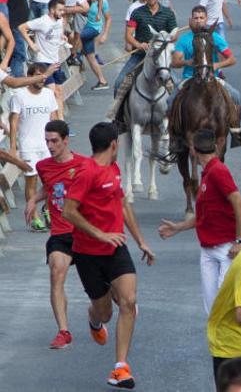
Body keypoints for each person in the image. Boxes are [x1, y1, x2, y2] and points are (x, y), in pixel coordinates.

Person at [61, 122, 155, 389]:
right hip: (88, 253)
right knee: (104, 313)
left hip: (116, 249)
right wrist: (100, 234)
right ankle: (93, 317)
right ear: (114, 144)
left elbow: (123, 204)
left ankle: (120, 368)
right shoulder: (86, 172)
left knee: (129, 300)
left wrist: (141, 241)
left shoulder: (113, 168)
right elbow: (69, 211)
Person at [158, 128, 241, 314]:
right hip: (208, 249)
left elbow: (239, 201)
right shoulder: (209, 172)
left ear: (192, 150)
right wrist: (178, 227)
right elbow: (206, 213)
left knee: (224, 308)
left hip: (228, 248)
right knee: (212, 310)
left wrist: (239, 241)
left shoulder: (217, 171)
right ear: (216, 146)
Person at [24, 120, 85, 347]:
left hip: (85, 232)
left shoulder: (84, 165)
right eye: (47, 141)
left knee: (104, 300)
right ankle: (63, 331)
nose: (50, 146)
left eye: (55, 141)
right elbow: (48, 186)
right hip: (60, 233)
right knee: (56, 272)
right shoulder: (43, 166)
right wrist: (33, 199)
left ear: (66, 140)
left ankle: (97, 319)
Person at [10, 63, 59, 225]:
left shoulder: (49, 94)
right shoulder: (19, 96)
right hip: (28, 145)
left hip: (48, 146)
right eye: (38, 75)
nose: (41, 79)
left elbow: (54, 120)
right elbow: (14, 123)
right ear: (30, 77)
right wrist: (13, 147)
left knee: (51, 181)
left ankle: (47, 208)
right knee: (32, 181)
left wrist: (60, 143)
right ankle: (35, 217)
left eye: (43, 75)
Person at [171, 5, 241, 105]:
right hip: (189, 78)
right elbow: (174, 63)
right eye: (196, 18)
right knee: (170, 100)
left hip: (213, 78)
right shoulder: (184, 39)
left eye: (201, 18)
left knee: (236, 95)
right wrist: (187, 62)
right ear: (191, 20)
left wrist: (216, 65)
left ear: (206, 19)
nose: (198, 21)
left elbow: (232, 59)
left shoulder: (215, 37)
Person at [118, 0, 177, 94]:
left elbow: (175, 36)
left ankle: (176, 112)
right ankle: (116, 111)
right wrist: (139, 45)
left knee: (177, 84)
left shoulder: (168, 13)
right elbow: (128, 35)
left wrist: (161, 42)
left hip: (161, 57)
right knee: (119, 83)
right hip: (140, 55)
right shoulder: (137, 13)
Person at [20, 0, 68, 120]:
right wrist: (31, 44)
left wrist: (62, 37)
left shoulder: (59, 20)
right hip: (43, 61)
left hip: (55, 60)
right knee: (52, 92)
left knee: (59, 92)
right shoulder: (42, 21)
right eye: (60, 10)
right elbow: (21, 27)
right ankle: (53, 123)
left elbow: (57, 33)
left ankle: (61, 122)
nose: (62, 12)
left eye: (63, 10)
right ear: (52, 10)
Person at [79, 0, 111, 90]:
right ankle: (102, 81)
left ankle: (77, 56)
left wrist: (105, 34)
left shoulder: (102, 2)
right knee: (90, 57)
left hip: (94, 28)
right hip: (84, 28)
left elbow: (108, 18)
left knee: (77, 36)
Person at [7, 0, 30, 77]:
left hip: (20, 24)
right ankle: (17, 83)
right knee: (20, 54)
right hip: (15, 24)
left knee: (17, 54)